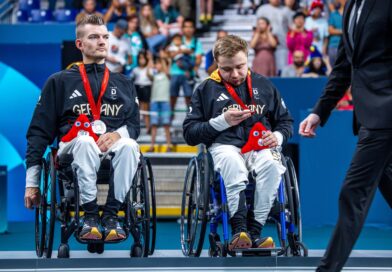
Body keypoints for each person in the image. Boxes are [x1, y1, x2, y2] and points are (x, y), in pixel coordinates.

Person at [24, 15, 141, 242]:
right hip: (72, 148)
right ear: (79, 44)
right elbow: (38, 133)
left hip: (111, 149)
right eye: (94, 37)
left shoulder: (124, 83)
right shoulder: (59, 81)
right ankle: (89, 216)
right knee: (86, 140)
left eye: (105, 37)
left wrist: (118, 134)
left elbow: (134, 126)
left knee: (129, 144)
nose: (102, 42)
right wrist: (31, 183)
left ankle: (110, 215)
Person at [299, 1, 392, 271]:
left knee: (353, 193)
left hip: (384, 114)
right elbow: (344, 68)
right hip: (368, 114)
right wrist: (319, 112)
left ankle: (327, 270)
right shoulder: (351, 6)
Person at [183, 35, 293, 251]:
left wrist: (278, 137)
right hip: (225, 146)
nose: (234, 74)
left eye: (240, 67)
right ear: (216, 62)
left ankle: (254, 232)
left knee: (273, 164)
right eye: (227, 69)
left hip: (260, 146)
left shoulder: (265, 85)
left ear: (248, 59)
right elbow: (190, 134)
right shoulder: (205, 90)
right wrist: (220, 122)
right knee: (232, 163)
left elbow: (285, 121)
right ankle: (238, 229)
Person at [147, 57, 172, 152]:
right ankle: (152, 145)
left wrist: (162, 59)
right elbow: (148, 74)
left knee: (166, 124)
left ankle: (168, 145)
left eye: (159, 63)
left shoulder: (167, 75)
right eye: (156, 64)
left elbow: (166, 70)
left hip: (165, 101)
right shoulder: (154, 75)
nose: (157, 65)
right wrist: (150, 61)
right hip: (154, 101)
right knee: (153, 124)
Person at [131, 51, 153, 132]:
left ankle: (148, 126)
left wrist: (149, 63)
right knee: (137, 107)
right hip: (137, 88)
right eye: (140, 58)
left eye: (143, 58)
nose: (142, 60)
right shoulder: (135, 70)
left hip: (146, 88)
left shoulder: (149, 69)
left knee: (146, 108)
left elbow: (151, 78)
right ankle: (136, 126)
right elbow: (131, 79)